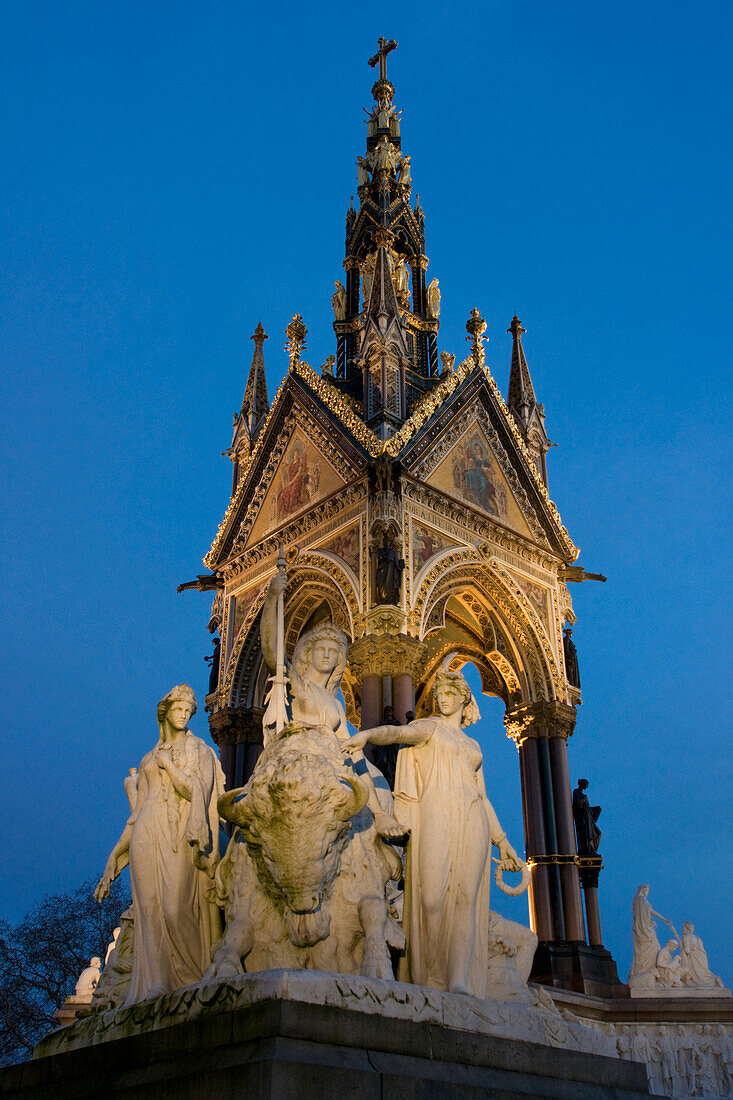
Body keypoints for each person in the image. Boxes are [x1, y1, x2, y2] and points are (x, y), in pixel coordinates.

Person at [342, 669, 524, 997]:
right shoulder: (430, 728)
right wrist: (367, 737)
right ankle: (432, 977)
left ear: (465, 698)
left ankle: (458, 981)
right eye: (440, 693)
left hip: (473, 819)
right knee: (432, 898)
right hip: (437, 814)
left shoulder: (472, 746)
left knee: (466, 901)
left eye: (451, 693)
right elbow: (396, 734)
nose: (443, 697)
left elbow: (483, 798)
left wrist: (503, 842)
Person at [95, 685, 225, 1005]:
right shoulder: (148, 758)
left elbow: (197, 789)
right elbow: (136, 814)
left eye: (187, 711)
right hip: (145, 834)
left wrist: (169, 766)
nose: (183, 715)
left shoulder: (198, 750)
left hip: (179, 832)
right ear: (165, 714)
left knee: (175, 908)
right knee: (149, 911)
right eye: (177, 710)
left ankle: (190, 978)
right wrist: (113, 859)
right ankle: (156, 985)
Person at [260, 571, 402, 838]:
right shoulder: (297, 684)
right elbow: (271, 652)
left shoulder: (335, 705)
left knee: (377, 787)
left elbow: (352, 753)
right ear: (308, 652)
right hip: (301, 760)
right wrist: (272, 598)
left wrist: (379, 813)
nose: (327, 655)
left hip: (334, 759)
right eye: (321, 649)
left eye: (333, 651)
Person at [572, 778, 601, 855]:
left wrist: (596, 810)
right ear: (582, 784)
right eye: (586, 784)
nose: (587, 786)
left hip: (588, 816)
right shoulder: (576, 792)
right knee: (586, 833)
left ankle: (591, 850)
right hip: (583, 817)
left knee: (597, 833)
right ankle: (588, 850)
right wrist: (583, 800)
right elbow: (577, 804)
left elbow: (587, 806)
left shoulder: (584, 795)